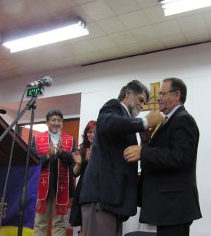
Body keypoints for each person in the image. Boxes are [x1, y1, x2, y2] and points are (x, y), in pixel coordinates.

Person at [79, 80, 164, 236]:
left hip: (114, 199)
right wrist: (144, 122)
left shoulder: (125, 121)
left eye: (144, 103)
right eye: (140, 100)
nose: (142, 106)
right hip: (101, 197)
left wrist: (144, 140)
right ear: (127, 94)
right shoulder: (113, 106)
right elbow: (106, 123)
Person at [124, 77, 202, 236]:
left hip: (175, 206)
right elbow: (161, 156)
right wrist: (146, 140)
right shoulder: (169, 120)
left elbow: (180, 157)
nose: (158, 98)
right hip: (167, 207)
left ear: (177, 95)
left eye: (162, 93)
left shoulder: (183, 120)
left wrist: (143, 152)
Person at [33, 109, 76, 236]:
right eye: (53, 120)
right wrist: (47, 155)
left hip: (62, 188)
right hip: (42, 187)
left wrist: (62, 153)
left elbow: (73, 162)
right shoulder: (37, 139)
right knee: (40, 223)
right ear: (47, 122)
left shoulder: (70, 140)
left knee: (59, 223)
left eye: (59, 120)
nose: (56, 123)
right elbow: (33, 161)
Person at [69, 120, 97, 236]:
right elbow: (75, 173)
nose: (91, 135)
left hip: (96, 190)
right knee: (83, 225)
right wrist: (79, 164)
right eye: (89, 132)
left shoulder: (102, 150)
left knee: (96, 224)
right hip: (83, 189)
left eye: (94, 132)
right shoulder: (81, 150)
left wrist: (92, 162)